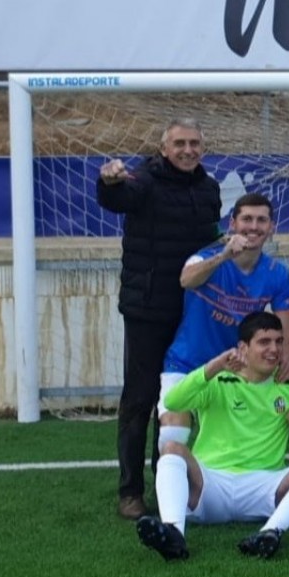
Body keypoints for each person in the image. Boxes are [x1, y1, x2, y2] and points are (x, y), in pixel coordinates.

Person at [135, 312, 289, 561]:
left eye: (279, 341)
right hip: (210, 486)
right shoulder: (218, 379)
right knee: (171, 447)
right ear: (243, 348)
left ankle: (270, 533)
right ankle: (174, 534)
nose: (274, 349)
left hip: (264, 486)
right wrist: (214, 366)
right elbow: (173, 400)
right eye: (264, 342)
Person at [96, 117, 222, 520]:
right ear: (164, 148)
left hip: (193, 312)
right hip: (147, 309)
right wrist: (109, 181)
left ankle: (170, 483)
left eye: (195, 143)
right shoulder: (144, 181)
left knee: (179, 402)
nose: (188, 150)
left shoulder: (209, 188)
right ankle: (130, 492)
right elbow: (116, 199)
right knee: (140, 399)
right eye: (180, 143)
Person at [158, 193, 289, 454]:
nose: (253, 226)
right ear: (232, 223)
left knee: (283, 417)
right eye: (246, 219)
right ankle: (172, 491)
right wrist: (223, 256)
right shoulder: (206, 257)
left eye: (261, 220)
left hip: (236, 370)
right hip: (186, 364)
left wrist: (283, 367)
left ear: (271, 228)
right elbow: (186, 280)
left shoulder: (277, 274)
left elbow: (288, 332)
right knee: (173, 432)